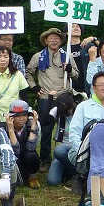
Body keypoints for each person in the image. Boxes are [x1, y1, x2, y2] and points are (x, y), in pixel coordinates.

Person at [27, 27, 78, 165]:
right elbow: (28, 73)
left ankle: (65, 158)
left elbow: (76, 75)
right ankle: (45, 160)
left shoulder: (67, 56)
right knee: (46, 129)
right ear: (45, 40)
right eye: (51, 37)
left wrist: (70, 70)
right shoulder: (38, 56)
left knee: (67, 129)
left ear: (61, 41)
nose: (54, 40)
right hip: (46, 97)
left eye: (57, 38)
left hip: (64, 97)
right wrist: (34, 87)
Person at [64, 72, 104, 190]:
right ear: (94, 88)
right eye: (102, 85)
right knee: (65, 152)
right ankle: (82, 175)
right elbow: (74, 133)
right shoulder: (83, 106)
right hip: (85, 149)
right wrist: (83, 151)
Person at [4, 100, 41, 189]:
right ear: (11, 117)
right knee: (20, 182)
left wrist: (33, 127)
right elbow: (15, 151)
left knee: (31, 154)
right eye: (18, 116)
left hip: (27, 156)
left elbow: (31, 147)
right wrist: (11, 130)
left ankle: (33, 178)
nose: (21, 119)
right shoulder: (3, 128)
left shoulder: (34, 124)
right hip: (14, 159)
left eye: (24, 115)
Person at [46, 92, 79, 187]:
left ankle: (76, 172)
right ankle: (71, 171)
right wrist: (49, 100)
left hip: (75, 148)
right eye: (63, 111)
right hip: (61, 151)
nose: (66, 113)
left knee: (59, 150)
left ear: (73, 104)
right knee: (53, 181)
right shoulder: (57, 111)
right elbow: (44, 121)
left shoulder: (79, 111)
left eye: (68, 109)